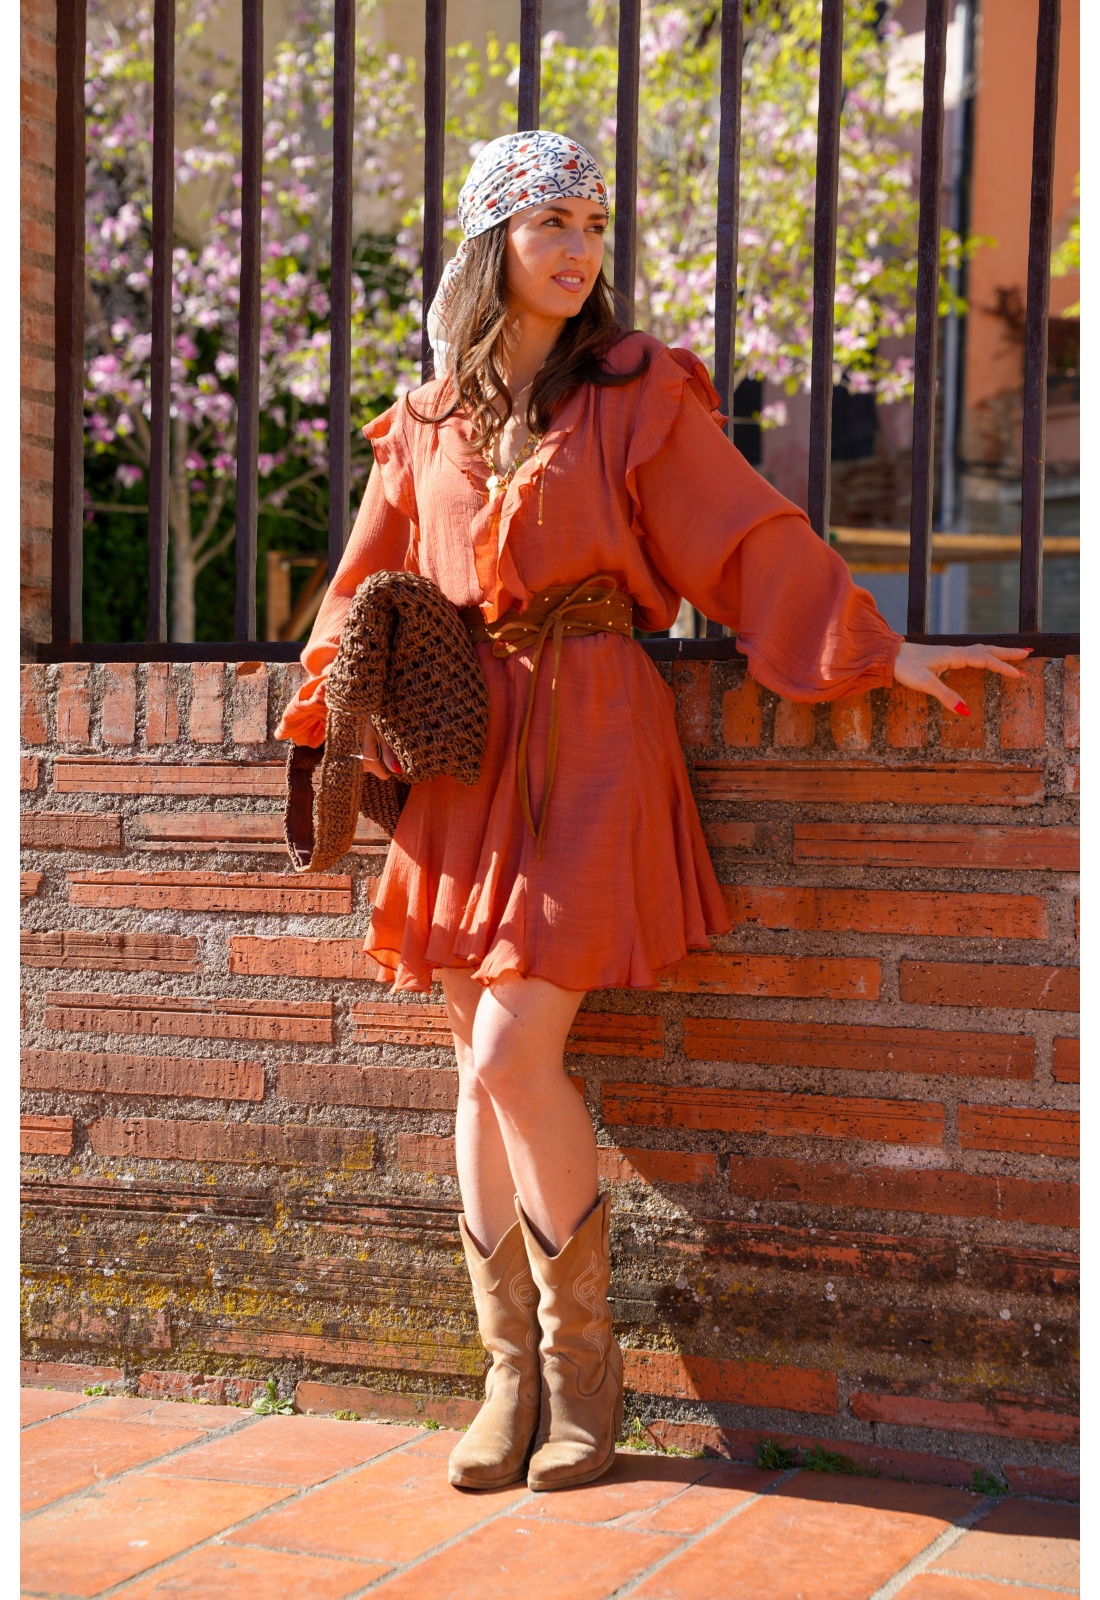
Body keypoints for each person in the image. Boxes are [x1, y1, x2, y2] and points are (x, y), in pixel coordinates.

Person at [276, 129, 1029, 1495]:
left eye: (591, 224)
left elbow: (743, 532)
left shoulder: (634, 387)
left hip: (594, 723)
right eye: (550, 222)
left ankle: (583, 1378)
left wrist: (874, 647)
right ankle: (506, 1379)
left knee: (513, 1053)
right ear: (491, 241)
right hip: (463, 747)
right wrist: (323, 698)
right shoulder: (427, 414)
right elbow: (363, 577)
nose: (578, 249)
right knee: (471, 1064)